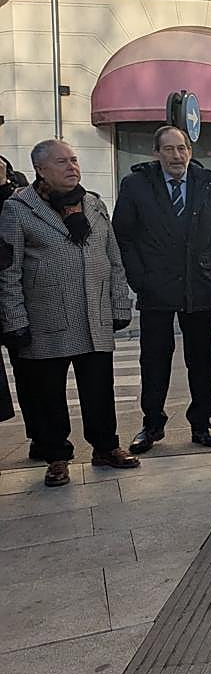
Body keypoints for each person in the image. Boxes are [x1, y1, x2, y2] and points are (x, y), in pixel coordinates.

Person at [0, 139, 140, 487]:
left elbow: (113, 258)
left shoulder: (93, 204)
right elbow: (8, 271)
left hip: (93, 314)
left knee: (99, 388)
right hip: (47, 318)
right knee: (48, 394)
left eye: (74, 160)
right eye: (61, 162)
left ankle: (106, 447)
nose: (71, 167)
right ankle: (56, 456)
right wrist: (14, 320)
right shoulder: (19, 209)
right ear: (41, 170)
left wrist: (119, 303)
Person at [113, 126, 211, 453]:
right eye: (170, 150)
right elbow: (124, 236)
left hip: (199, 287)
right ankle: (151, 424)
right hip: (155, 288)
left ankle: (202, 423)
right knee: (154, 360)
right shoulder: (136, 185)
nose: (178, 156)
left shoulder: (209, 185)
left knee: (202, 360)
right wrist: (140, 278)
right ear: (156, 153)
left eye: (183, 149)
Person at [0, 154, 28, 437]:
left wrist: (2, 185)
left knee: (28, 372)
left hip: (13, 292)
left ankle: (40, 438)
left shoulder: (16, 186)